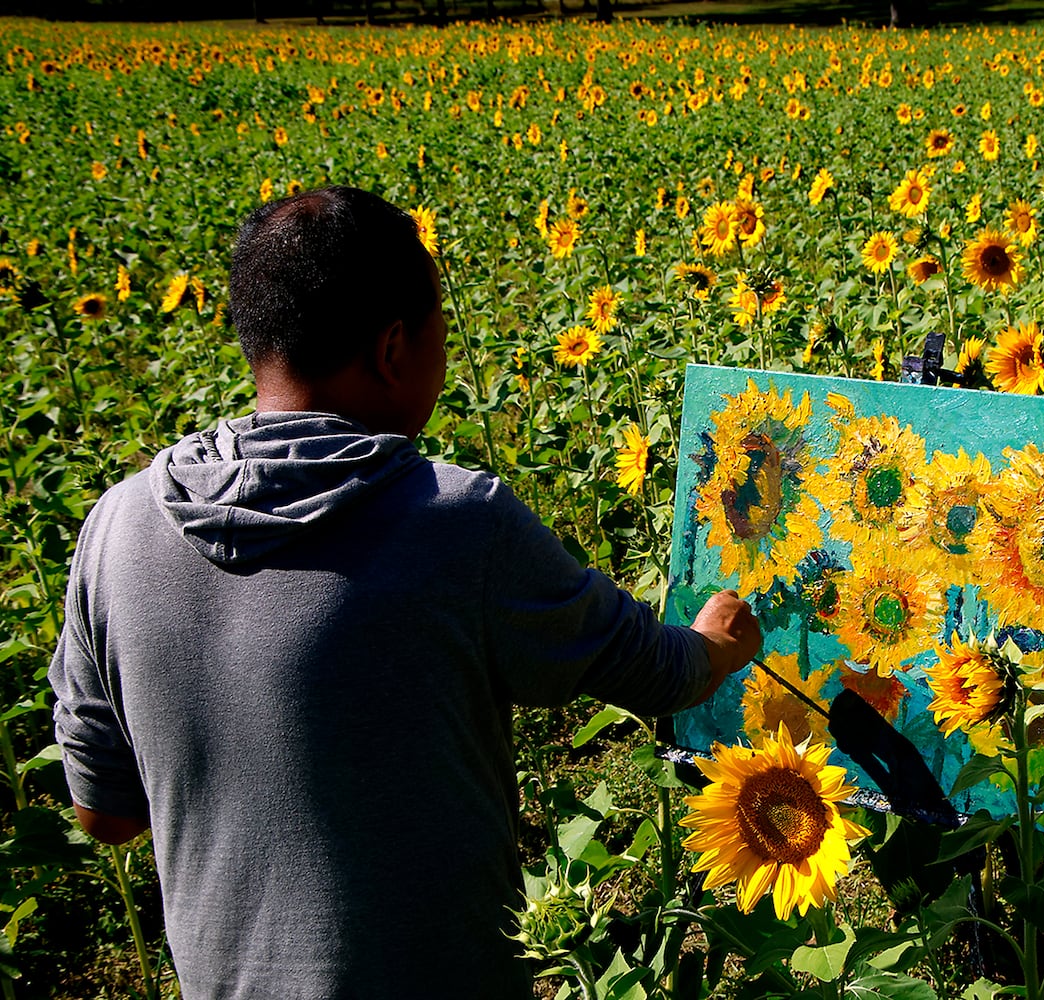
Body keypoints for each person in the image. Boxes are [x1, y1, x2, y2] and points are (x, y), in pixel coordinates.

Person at [47, 185, 760, 998]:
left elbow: (105, 814)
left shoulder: (115, 527)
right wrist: (715, 640)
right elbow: (657, 673)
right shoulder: (452, 522)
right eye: (440, 336)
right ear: (393, 349)